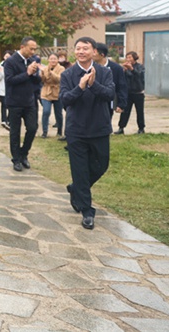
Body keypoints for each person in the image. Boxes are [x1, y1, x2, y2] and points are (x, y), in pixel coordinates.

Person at [60, 37, 115, 230]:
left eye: (86, 48)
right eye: (78, 48)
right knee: (80, 170)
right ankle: (87, 211)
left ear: (94, 51)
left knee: (102, 165)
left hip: (99, 128)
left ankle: (76, 188)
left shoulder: (104, 72)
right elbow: (65, 99)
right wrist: (81, 86)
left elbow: (110, 94)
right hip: (76, 130)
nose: (81, 51)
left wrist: (93, 84)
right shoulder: (68, 74)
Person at [4, 37, 41, 171]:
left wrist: (35, 73)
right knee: (15, 132)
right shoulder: (10, 61)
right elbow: (9, 80)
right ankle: (16, 159)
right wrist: (27, 73)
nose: (33, 51)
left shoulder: (32, 61)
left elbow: (36, 81)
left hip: (29, 101)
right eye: (31, 49)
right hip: (14, 102)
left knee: (32, 128)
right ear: (22, 47)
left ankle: (24, 153)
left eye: (34, 49)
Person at [94, 43, 128, 125]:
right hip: (92, 101)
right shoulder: (89, 67)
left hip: (108, 101)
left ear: (102, 55)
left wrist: (121, 104)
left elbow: (121, 86)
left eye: (94, 52)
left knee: (105, 124)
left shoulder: (116, 68)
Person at [117, 51, 145, 134]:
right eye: (127, 57)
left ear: (134, 58)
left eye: (130, 57)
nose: (128, 59)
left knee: (139, 111)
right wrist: (123, 71)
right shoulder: (126, 67)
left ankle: (141, 128)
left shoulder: (140, 67)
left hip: (138, 92)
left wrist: (131, 69)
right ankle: (121, 128)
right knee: (125, 111)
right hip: (128, 93)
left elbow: (139, 76)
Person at [39, 54, 65, 139]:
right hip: (46, 92)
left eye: (55, 59)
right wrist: (42, 74)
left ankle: (59, 131)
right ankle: (44, 132)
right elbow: (42, 80)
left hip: (57, 91)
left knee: (58, 113)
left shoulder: (61, 68)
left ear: (58, 60)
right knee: (46, 111)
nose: (53, 61)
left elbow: (59, 79)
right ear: (48, 60)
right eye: (51, 59)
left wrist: (51, 72)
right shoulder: (45, 68)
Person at [0, 51, 11, 129]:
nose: (7, 58)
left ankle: (9, 119)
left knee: (10, 105)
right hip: (2, 89)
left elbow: (9, 77)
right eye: (6, 56)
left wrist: (3, 72)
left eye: (9, 56)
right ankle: (3, 120)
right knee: (4, 104)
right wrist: (1, 72)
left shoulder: (12, 65)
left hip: (11, 89)